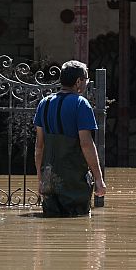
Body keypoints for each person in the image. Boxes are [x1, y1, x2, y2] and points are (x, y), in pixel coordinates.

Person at [33, 60, 107, 217]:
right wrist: (99, 179)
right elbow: (86, 145)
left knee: (50, 230)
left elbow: (39, 146)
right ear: (78, 81)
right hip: (73, 182)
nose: (86, 83)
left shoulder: (43, 104)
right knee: (77, 227)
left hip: (49, 181)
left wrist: (40, 180)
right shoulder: (81, 104)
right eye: (86, 79)